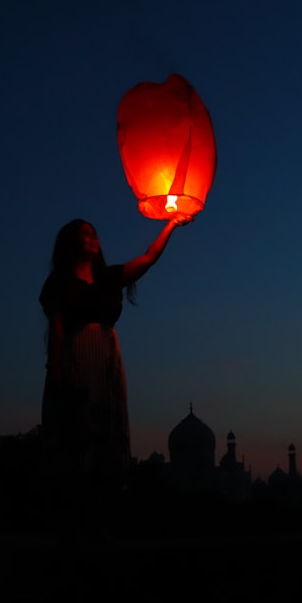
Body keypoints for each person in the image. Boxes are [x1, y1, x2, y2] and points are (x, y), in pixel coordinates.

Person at [39, 215, 191, 526]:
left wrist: (171, 224)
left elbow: (149, 258)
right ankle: (74, 519)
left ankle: (102, 517)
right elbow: (56, 326)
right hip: (77, 355)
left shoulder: (108, 278)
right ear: (69, 243)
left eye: (93, 233)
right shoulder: (60, 282)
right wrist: (55, 369)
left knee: (107, 430)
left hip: (108, 356)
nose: (91, 238)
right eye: (83, 234)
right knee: (79, 429)